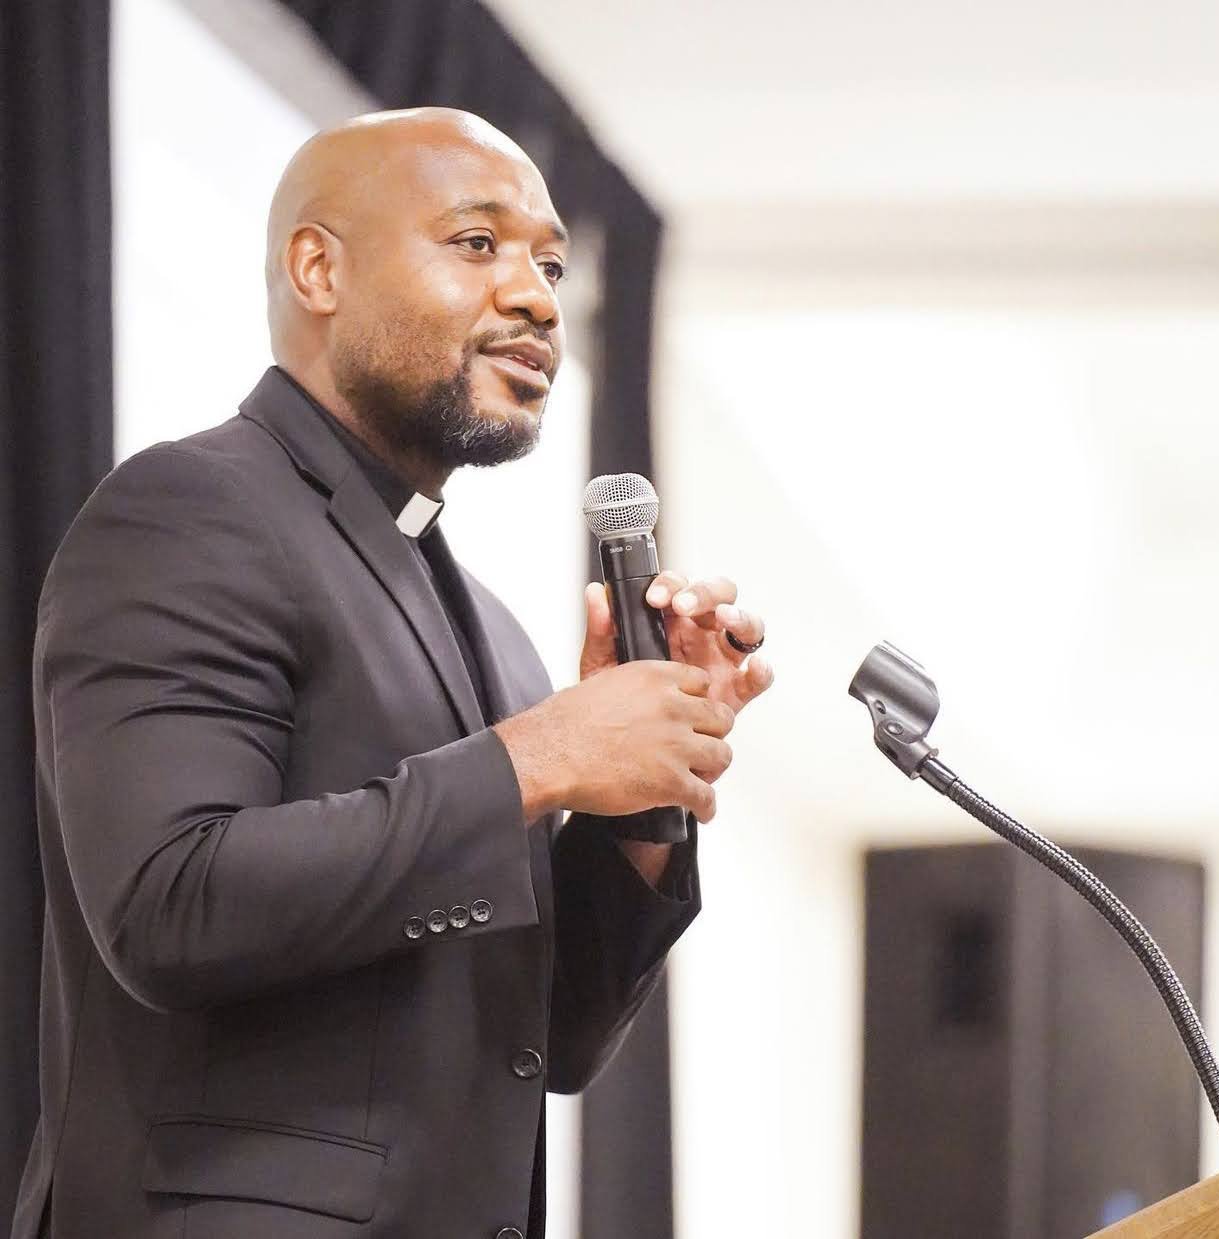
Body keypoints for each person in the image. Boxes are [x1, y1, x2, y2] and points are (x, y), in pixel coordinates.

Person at [10, 108, 772, 1239]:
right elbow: (167, 903)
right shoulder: (188, 509)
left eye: (550, 263)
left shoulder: (494, 631)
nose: (537, 298)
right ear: (318, 267)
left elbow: (549, 1040)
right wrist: (542, 756)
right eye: (478, 244)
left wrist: (642, 791)